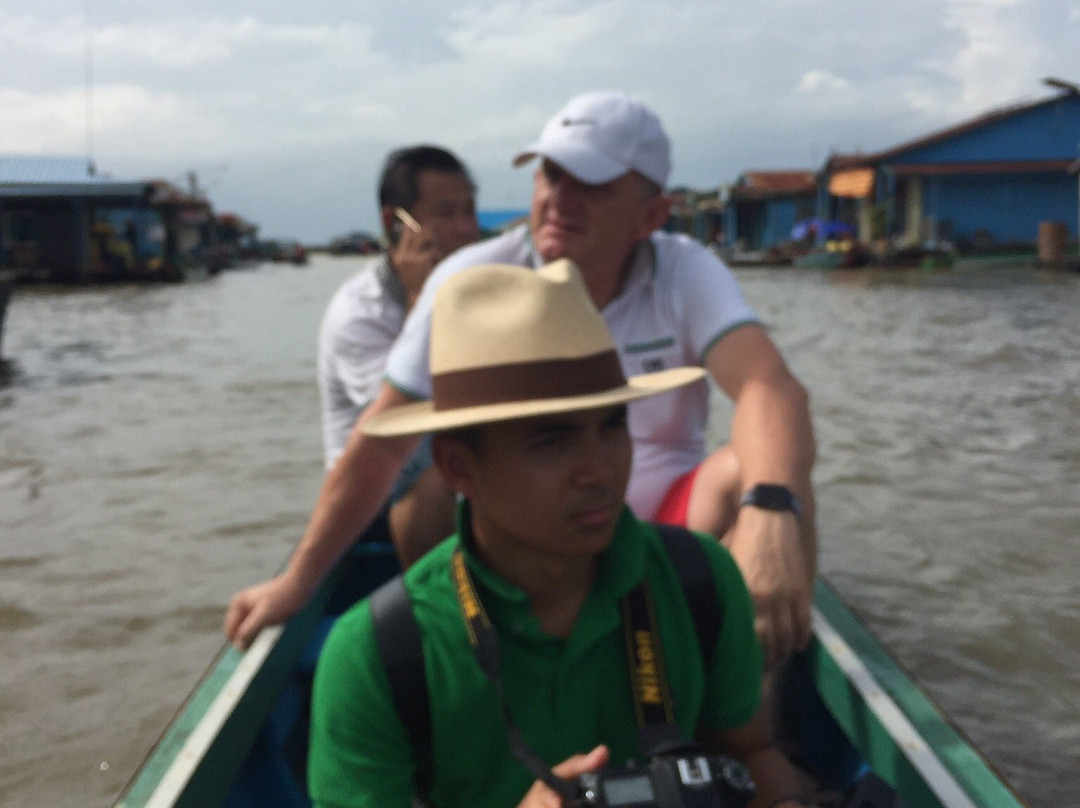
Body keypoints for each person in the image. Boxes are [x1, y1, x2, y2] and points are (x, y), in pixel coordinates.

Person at [226, 92, 816, 672]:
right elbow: (384, 438)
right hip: (524, 537)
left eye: (591, 185)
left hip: (667, 527)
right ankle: (480, 654)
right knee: (425, 493)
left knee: (762, 475)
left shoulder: (684, 271)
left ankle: (750, 708)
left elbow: (769, 386)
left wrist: (770, 513)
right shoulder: (472, 280)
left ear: (651, 217)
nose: (560, 200)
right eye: (551, 176)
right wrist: (298, 582)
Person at [308, 260, 813, 808]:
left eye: (613, 426)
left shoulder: (702, 582)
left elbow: (750, 753)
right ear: (458, 467)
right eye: (552, 441)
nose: (600, 471)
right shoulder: (377, 656)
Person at [316, 145, 479, 564]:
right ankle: (448, 600)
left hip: (462, 472)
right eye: (447, 213)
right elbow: (404, 428)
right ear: (396, 223)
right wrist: (420, 302)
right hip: (375, 496)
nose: (466, 229)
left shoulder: (477, 288)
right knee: (438, 473)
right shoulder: (360, 311)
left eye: (469, 211)